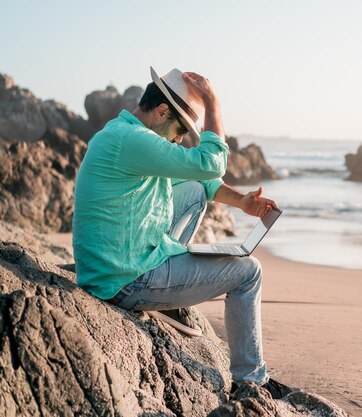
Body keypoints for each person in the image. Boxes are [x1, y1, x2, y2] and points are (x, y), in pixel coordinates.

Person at [72, 67, 292, 399]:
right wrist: (212, 103)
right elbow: (210, 163)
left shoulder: (123, 133)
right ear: (161, 111)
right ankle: (251, 381)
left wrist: (242, 202)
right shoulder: (134, 141)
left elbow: (201, 180)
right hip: (125, 279)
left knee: (191, 191)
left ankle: (169, 296)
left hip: (120, 259)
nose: (179, 139)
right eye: (179, 129)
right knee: (248, 272)